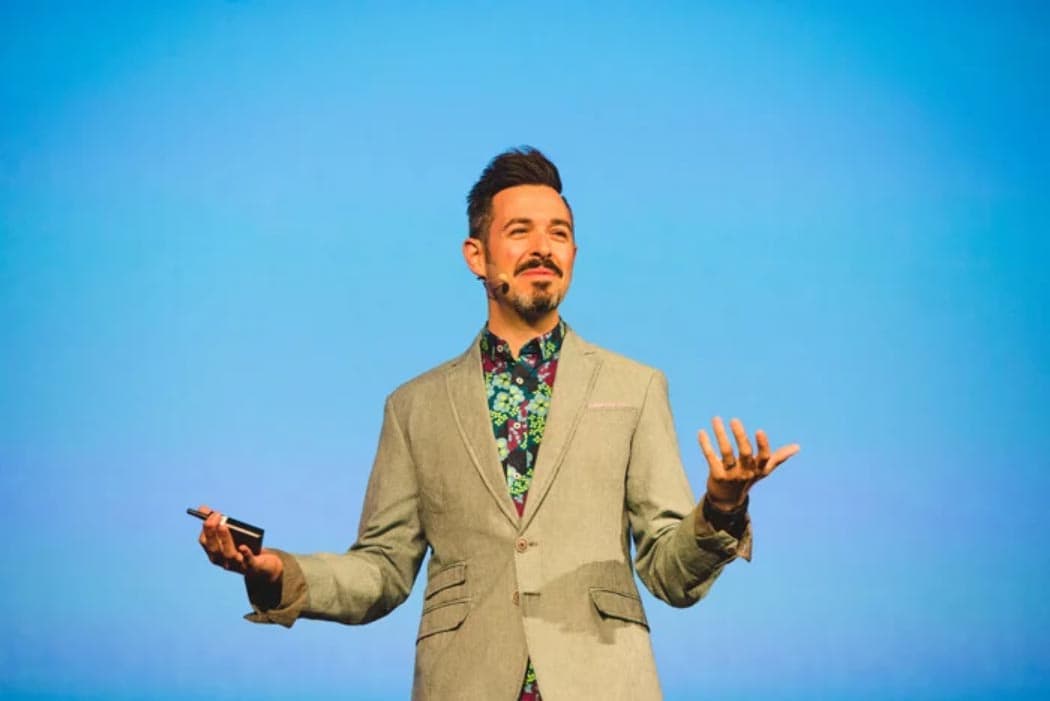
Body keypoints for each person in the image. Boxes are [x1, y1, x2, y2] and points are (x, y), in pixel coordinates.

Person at [197, 147, 800, 700]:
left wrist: (721, 507)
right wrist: (278, 571)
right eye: (521, 231)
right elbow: (381, 571)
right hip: (465, 680)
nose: (544, 246)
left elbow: (671, 577)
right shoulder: (414, 407)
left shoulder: (635, 388)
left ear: (573, 256)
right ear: (476, 256)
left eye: (559, 233)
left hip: (604, 680)